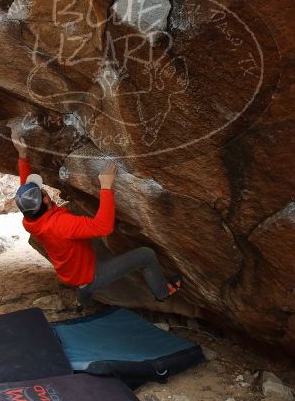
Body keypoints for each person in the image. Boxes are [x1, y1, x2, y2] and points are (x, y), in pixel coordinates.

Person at [11, 126, 182, 305]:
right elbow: (103, 227)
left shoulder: (29, 220)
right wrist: (106, 187)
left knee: (83, 290)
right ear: (45, 200)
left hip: (68, 272)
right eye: (42, 191)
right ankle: (162, 293)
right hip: (92, 274)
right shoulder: (62, 224)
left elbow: (27, 191)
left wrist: (22, 155)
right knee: (146, 255)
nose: (43, 190)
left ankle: (82, 301)